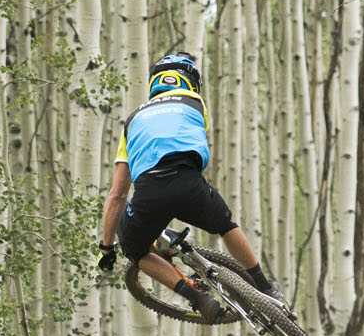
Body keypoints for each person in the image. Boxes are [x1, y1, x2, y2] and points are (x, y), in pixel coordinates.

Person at [96, 50, 280, 320]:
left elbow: (117, 195)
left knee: (135, 250)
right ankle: (265, 287)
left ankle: (199, 300)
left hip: (150, 193)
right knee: (225, 225)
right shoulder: (195, 103)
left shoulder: (132, 121)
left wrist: (106, 248)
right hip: (189, 183)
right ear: (191, 81)